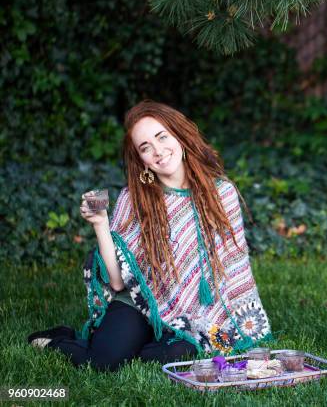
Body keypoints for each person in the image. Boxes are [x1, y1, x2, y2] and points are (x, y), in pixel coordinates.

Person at [27, 100, 272, 371]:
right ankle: (59, 340)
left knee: (177, 354)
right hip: (138, 300)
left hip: (190, 313)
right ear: (140, 159)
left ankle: (136, 341)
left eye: (162, 137)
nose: (158, 151)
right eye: (145, 147)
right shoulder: (132, 200)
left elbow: (232, 270)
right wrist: (100, 224)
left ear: (179, 135)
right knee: (104, 363)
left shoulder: (221, 194)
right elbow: (119, 283)